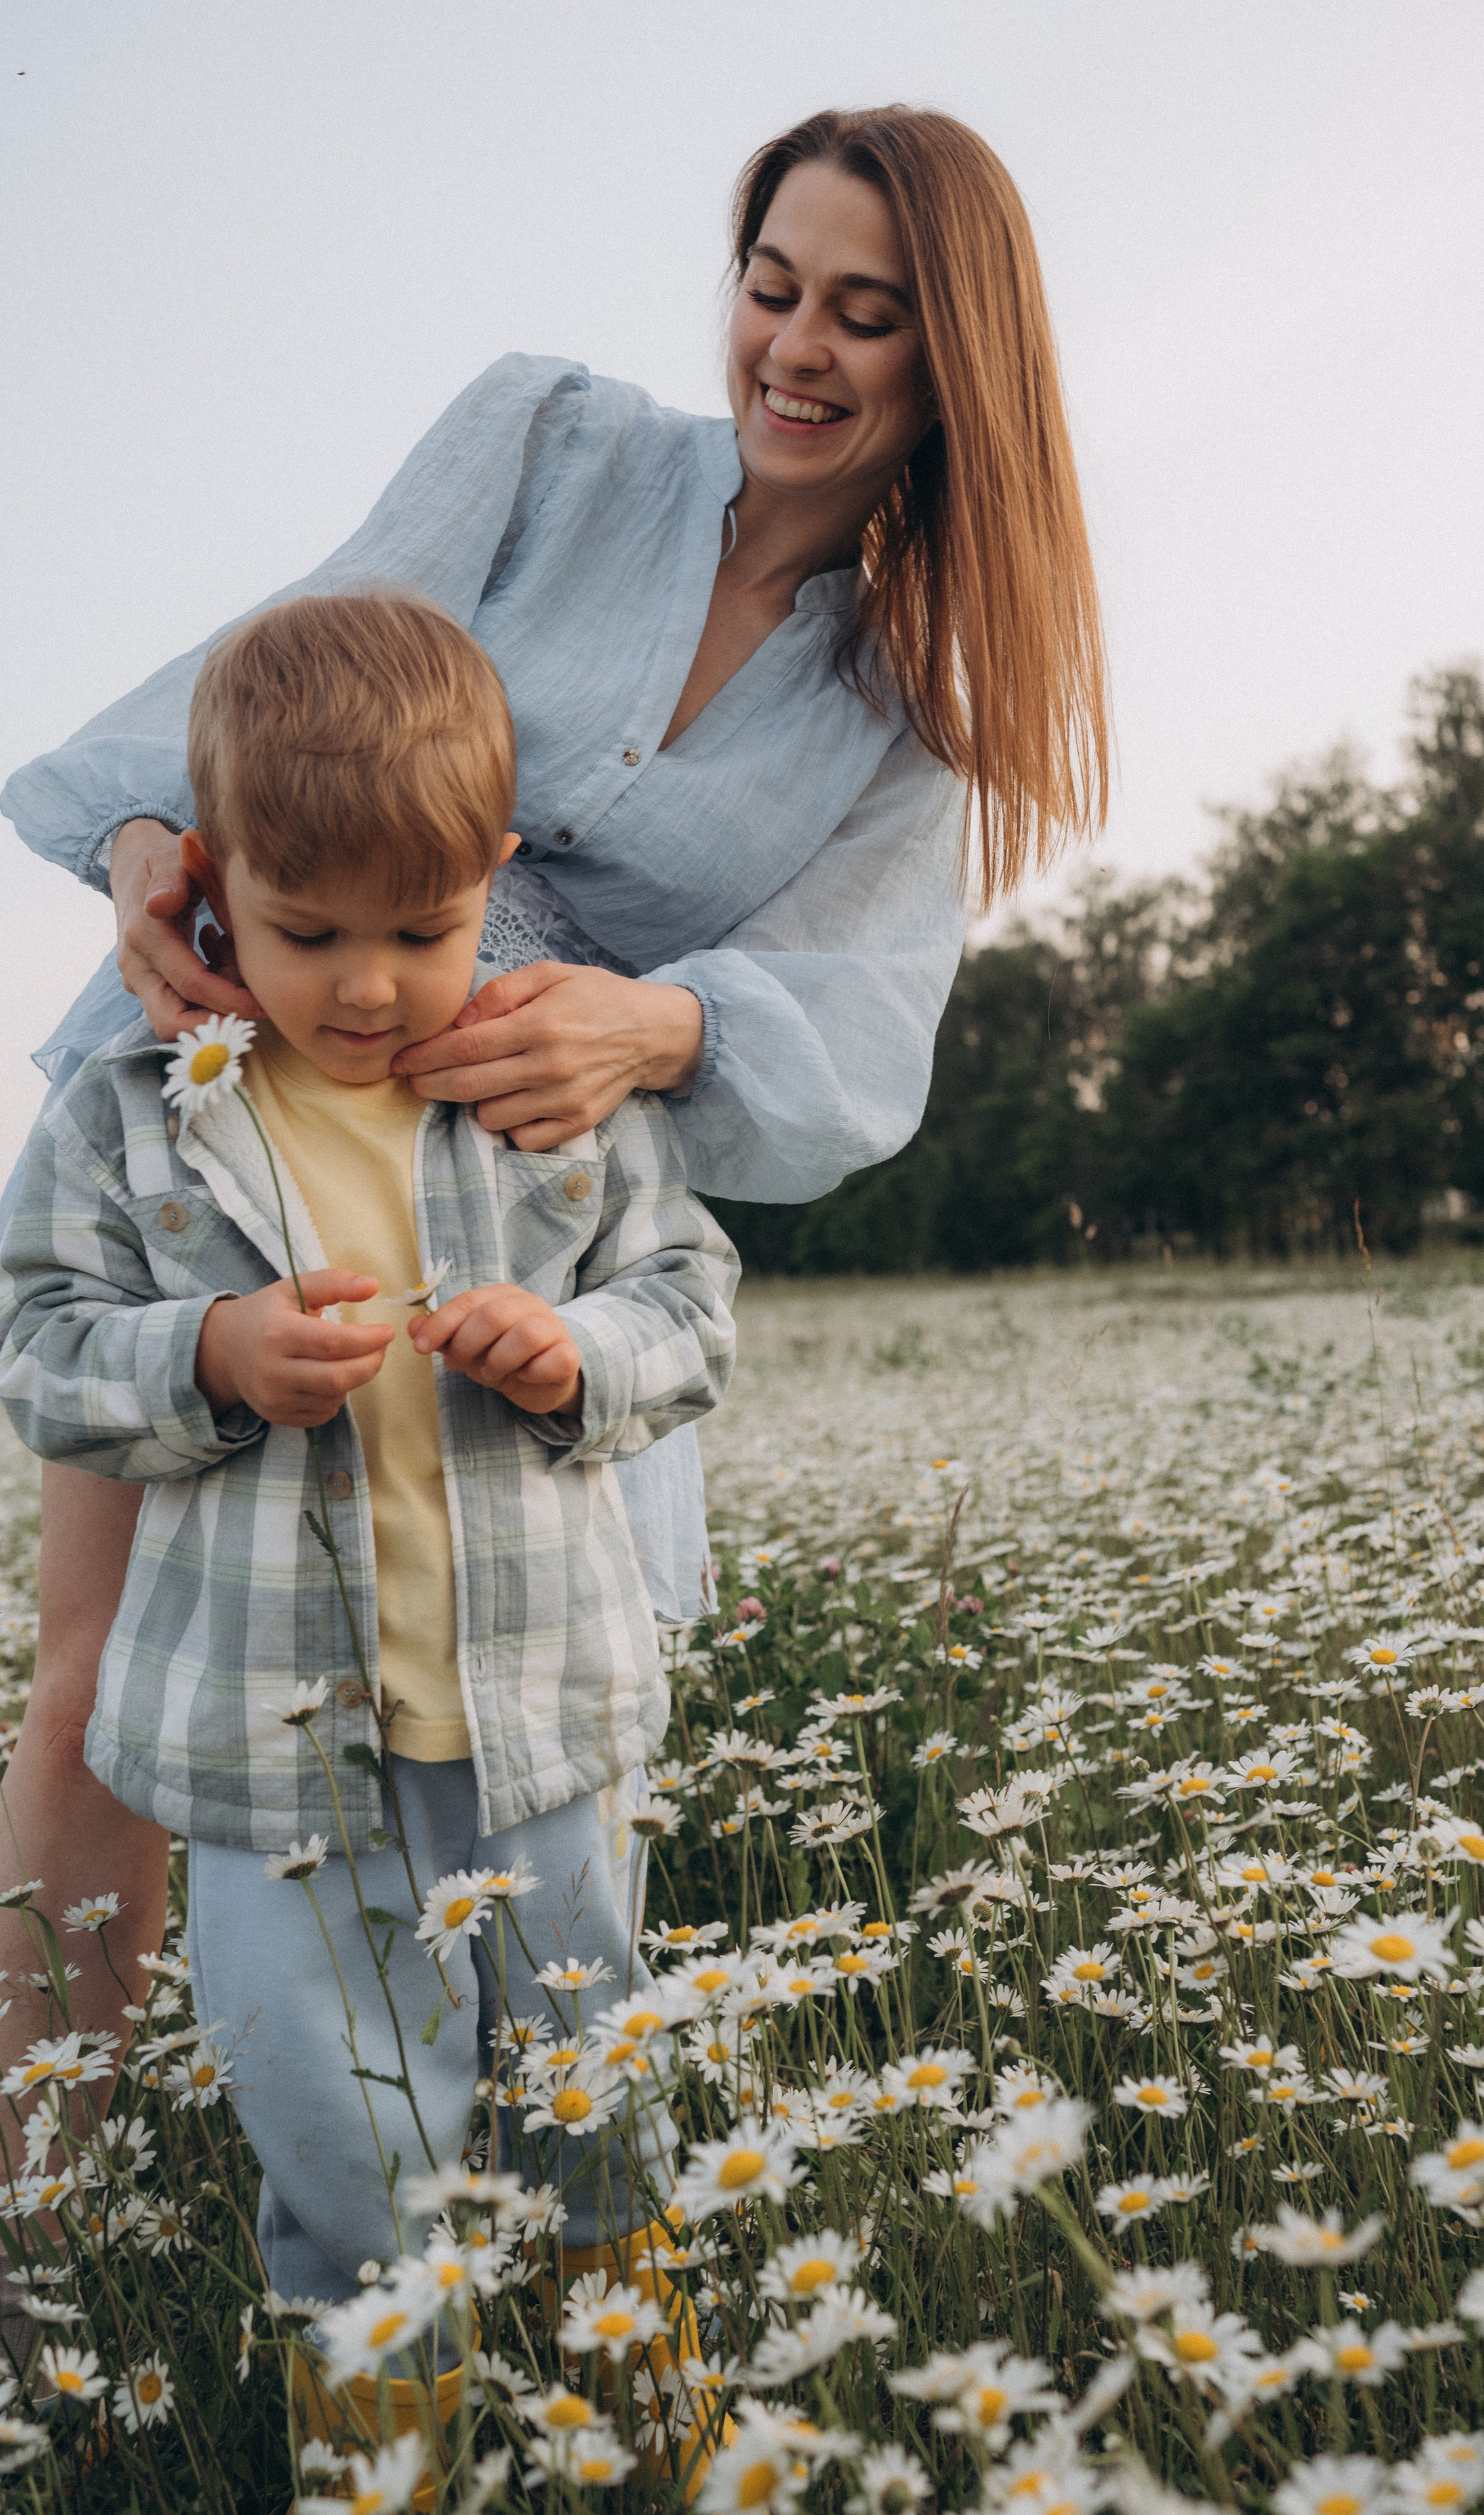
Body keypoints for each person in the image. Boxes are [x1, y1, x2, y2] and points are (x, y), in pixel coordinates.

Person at [0, 104, 1110, 2095]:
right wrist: (157, 833)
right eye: (772, 286)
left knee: (485, 1695)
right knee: (95, 1673)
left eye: (865, 315)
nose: (795, 347)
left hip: (516, 1191)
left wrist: (653, 1027)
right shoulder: (548, 437)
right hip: (227, 1095)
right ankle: (37, 2189)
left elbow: (861, 1020)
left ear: (956, 360)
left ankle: (501, 2217)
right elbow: (290, 650)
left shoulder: (917, 700)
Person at [0, 590, 738, 2487]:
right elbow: (42, 1347)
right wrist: (216, 1355)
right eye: (305, 929)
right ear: (198, 882)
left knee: (594, 2091)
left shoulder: (541, 1097)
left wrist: (577, 1355)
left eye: (422, 929)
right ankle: (387, 2448)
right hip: (270, 1754)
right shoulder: (135, 1116)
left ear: (492, 878)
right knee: (338, 2123)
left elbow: (690, 1300)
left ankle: (652, 2414)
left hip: (537, 1716)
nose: (366, 985)